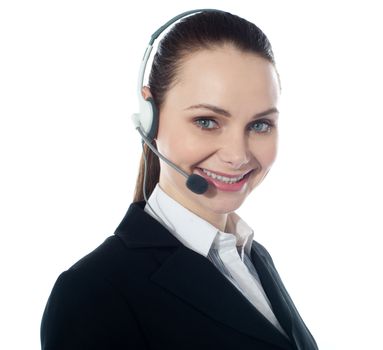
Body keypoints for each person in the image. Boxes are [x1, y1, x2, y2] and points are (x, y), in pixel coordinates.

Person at [41, 9, 318, 350]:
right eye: (207, 121)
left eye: (260, 125)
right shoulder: (93, 291)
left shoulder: (253, 258)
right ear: (150, 118)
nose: (238, 155)